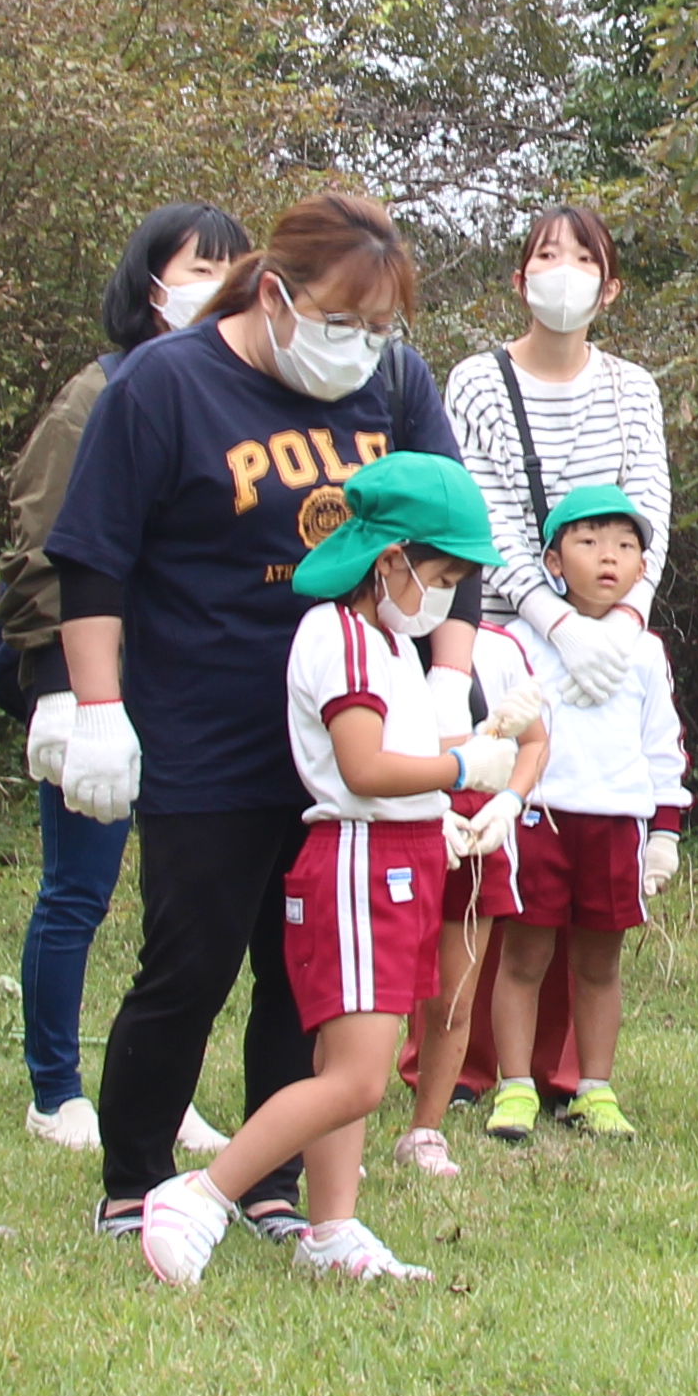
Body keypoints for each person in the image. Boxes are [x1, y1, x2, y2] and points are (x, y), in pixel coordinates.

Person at [48, 188, 464, 1249]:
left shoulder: (396, 384)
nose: (363, 349)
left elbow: (455, 537)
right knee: (193, 956)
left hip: (348, 728)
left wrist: (453, 687)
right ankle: (137, 1175)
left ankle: (270, 1181)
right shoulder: (164, 386)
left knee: (309, 964)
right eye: (344, 323)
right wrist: (101, 707)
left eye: (381, 329)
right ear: (275, 294)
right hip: (207, 716)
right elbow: (94, 560)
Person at [139, 452, 524, 1289]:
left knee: (356, 1070)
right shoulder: (341, 635)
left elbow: (415, 753)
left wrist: (491, 749)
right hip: (359, 862)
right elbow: (365, 767)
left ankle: (332, 1224)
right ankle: (201, 1195)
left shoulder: (385, 640)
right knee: (352, 1080)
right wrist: (464, 775)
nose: (452, 595)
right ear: (390, 562)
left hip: (402, 862)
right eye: (445, 574)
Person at [0, 201, 251, 1149]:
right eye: (195, 266)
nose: (213, 285)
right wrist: (59, 684)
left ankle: (156, 1080)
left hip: (181, 688)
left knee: (172, 901)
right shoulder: (93, 396)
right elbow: (41, 548)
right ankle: (55, 1089)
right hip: (92, 679)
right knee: (79, 886)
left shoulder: (222, 397)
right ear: (148, 282)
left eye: (231, 267)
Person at [435, 202, 675, 1122]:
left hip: (614, 635)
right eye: (546, 253)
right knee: (497, 841)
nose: (563, 269)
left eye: (583, 257)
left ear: (609, 286)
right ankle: (469, 1061)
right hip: (504, 636)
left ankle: (570, 1070)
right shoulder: (478, 382)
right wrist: (553, 618)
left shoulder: (633, 390)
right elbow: (480, 510)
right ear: (518, 277)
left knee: (589, 849)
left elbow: (649, 500)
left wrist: (623, 624)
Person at [455, 484, 690, 1152]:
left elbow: (660, 744)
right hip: (539, 820)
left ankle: (595, 1087)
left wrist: (664, 834)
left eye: (624, 546)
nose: (608, 558)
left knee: (599, 964)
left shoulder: (644, 652)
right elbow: (496, 732)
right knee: (524, 957)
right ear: (554, 563)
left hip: (616, 825)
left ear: (643, 567)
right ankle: (516, 1084)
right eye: (588, 543)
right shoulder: (517, 642)